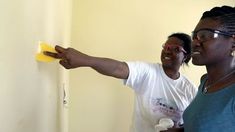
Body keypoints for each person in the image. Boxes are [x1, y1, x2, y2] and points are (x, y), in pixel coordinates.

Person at [44, 33, 197, 132]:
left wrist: (179, 130)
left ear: (186, 56)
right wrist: (85, 60)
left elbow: (197, 122)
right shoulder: (148, 72)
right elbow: (118, 68)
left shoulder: (190, 90)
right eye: (166, 47)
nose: (168, 51)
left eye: (176, 49)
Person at [182, 5, 235, 132]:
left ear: (233, 43)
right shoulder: (205, 82)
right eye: (194, 36)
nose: (194, 43)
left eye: (204, 36)